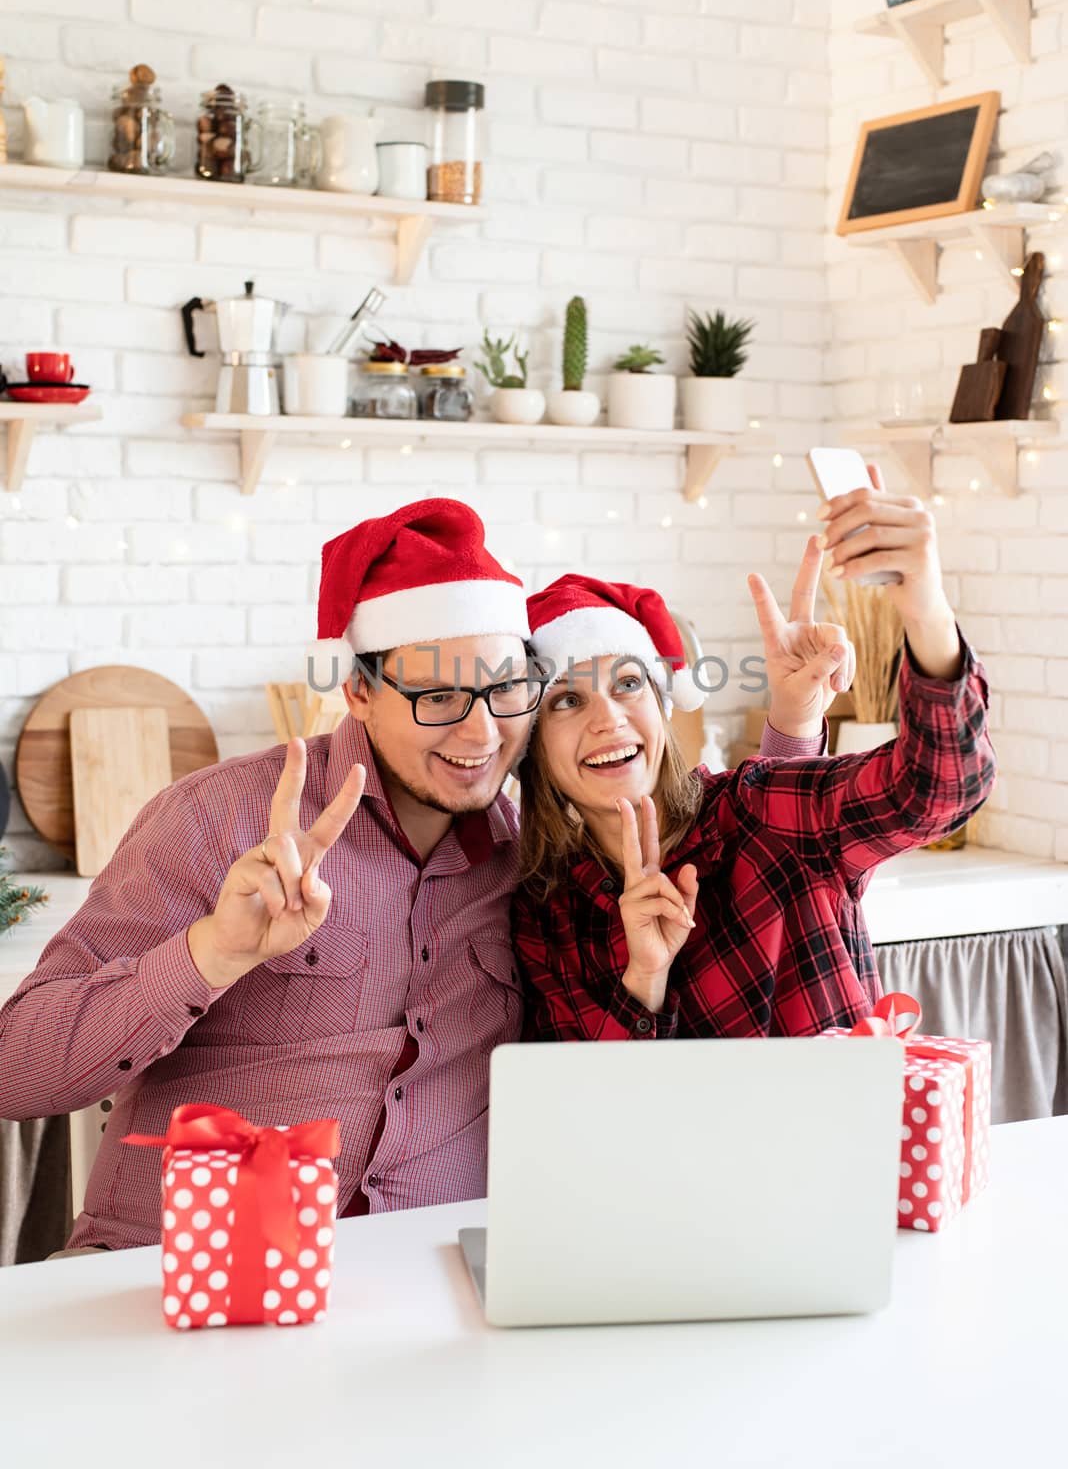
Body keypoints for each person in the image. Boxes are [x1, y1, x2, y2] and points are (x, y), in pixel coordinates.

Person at [0, 499, 828, 1252]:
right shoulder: (221, 820)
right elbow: (16, 1075)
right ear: (358, 692)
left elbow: (720, 875)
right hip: (190, 1275)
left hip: (431, 1290)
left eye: (505, 688)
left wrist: (794, 725)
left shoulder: (527, 860)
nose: (478, 731)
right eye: (437, 695)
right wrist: (213, 953)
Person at [513, 468, 997, 1041]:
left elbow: (935, 788)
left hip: (841, 1129)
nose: (609, 719)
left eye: (627, 684)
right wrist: (645, 978)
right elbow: (593, 1109)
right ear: (532, 746)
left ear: (662, 707)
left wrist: (925, 612)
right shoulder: (549, 912)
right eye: (567, 700)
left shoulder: (759, 811)